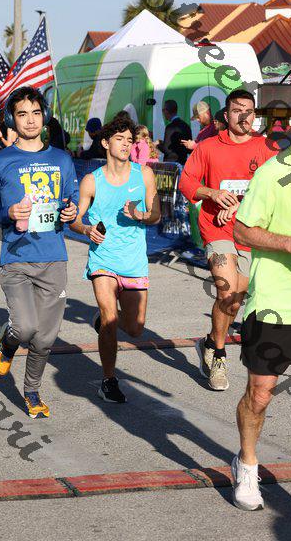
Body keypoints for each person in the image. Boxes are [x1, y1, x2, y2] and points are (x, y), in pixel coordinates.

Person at [230, 84, 291, 511]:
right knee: (260, 393)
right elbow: (242, 230)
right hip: (277, 301)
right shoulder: (273, 173)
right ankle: (247, 464)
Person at [0, 86, 78, 419]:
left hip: (54, 258)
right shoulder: (0, 161)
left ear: (44, 117)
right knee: (23, 327)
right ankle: (7, 342)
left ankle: (32, 391)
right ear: (12, 120)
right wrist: (8, 212)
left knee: (45, 339)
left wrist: (71, 211)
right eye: (22, 114)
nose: (31, 120)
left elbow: (73, 200)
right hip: (16, 258)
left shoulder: (62, 159)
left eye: (36, 113)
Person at [178, 89, 279, 391]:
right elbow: (187, 182)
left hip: (250, 232)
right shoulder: (209, 147)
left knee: (235, 301)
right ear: (226, 114)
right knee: (226, 291)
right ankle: (220, 357)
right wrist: (212, 193)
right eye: (237, 110)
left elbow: (274, 190)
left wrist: (238, 205)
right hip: (217, 229)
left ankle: (209, 342)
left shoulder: (266, 148)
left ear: (255, 115)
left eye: (249, 111)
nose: (243, 116)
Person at [69, 114, 161, 403]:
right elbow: (76, 219)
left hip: (133, 260)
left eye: (129, 140)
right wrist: (86, 229)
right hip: (103, 259)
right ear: (106, 143)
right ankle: (108, 380)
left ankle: (103, 320)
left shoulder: (144, 174)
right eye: (119, 139)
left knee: (135, 328)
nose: (125, 144)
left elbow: (156, 215)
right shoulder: (91, 181)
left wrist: (140, 214)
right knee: (110, 319)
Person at [157, 99, 192, 164]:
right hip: (183, 163)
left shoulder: (170, 127)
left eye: (163, 110)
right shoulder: (186, 126)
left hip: (171, 165)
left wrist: (158, 144)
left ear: (166, 111)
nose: (163, 112)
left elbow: (166, 149)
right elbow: (189, 149)